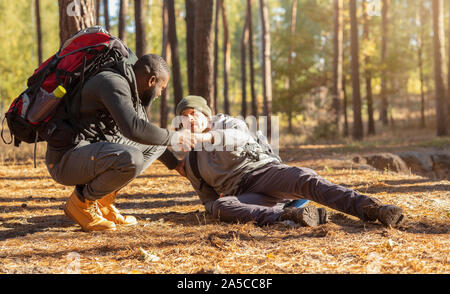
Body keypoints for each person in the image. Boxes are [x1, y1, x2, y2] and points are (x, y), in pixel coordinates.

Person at [174, 95, 405, 227]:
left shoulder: (228, 124)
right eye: (184, 117)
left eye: (194, 113)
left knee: (304, 178)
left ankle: (373, 209)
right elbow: (208, 201)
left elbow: (240, 138)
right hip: (246, 196)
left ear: (206, 114)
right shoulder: (192, 162)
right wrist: (221, 205)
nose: (190, 119)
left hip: (265, 173)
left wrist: (206, 137)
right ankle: (289, 215)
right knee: (221, 207)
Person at [45, 54, 203, 232]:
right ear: (152, 80)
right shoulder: (112, 83)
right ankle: (81, 203)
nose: (160, 94)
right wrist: (175, 137)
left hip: (88, 153)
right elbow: (133, 129)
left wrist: (176, 164)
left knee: (155, 144)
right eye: (162, 88)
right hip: (66, 160)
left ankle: (102, 202)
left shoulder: (129, 86)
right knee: (130, 158)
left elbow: (147, 136)